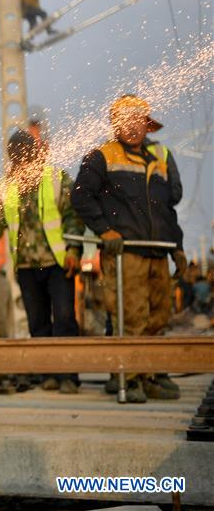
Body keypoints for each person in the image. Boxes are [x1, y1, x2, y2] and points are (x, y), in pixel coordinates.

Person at [72, 94, 187, 403]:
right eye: (125, 121)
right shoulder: (102, 156)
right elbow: (80, 197)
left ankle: (152, 374)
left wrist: (177, 246)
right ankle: (130, 377)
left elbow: (166, 208)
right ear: (115, 125)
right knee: (131, 317)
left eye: (138, 120)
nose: (132, 126)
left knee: (159, 316)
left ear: (147, 125)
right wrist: (105, 230)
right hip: (127, 253)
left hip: (157, 251)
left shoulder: (160, 157)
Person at [0, 130, 84, 393]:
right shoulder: (8, 187)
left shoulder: (56, 179)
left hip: (58, 263)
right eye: (15, 153)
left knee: (64, 319)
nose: (20, 157)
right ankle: (48, 375)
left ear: (36, 152)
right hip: (27, 266)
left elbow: (74, 216)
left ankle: (69, 376)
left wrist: (73, 251)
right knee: (38, 323)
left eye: (25, 151)